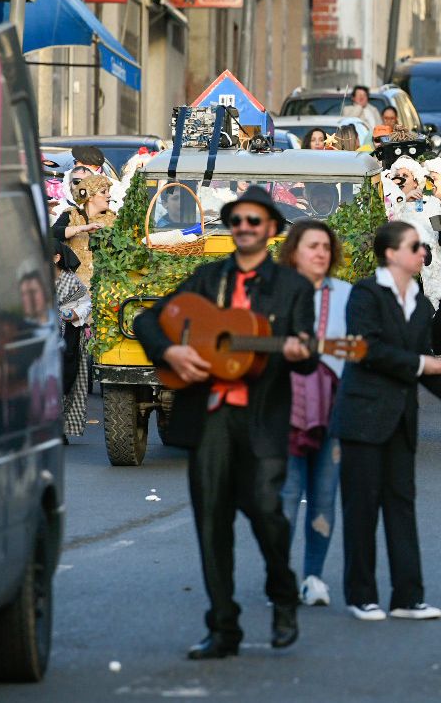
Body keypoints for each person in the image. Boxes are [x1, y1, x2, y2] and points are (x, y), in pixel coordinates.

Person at [134, 186, 315, 658]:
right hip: (208, 415)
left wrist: (298, 353)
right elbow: (149, 320)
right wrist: (170, 350)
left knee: (265, 512)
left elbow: (307, 356)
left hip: (262, 418)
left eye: (255, 221)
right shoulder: (207, 277)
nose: (245, 228)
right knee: (211, 522)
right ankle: (223, 627)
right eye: (237, 221)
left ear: (272, 229)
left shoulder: (292, 288)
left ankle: (282, 594)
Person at [332, 222, 441, 622]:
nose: (422, 254)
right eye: (415, 247)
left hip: (400, 419)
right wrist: (421, 363)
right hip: (362, 417)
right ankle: (361, 595)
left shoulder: (419, 299)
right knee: (361, 510)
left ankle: (407, 598)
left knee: (402, 506)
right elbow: (366, 349)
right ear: (392, 253)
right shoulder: (366, 294)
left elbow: (423, 365)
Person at [278, 220, 352, 609]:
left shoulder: (346, 294)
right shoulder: (272, 292)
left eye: (326, 246)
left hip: (332, 411)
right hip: (283, 411)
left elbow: (361, 349)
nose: (321, 253)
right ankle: (280, 579)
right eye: (312, 246)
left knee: (324, 499)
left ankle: (313, 578)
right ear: (293, 251)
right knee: (286, 498)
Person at [53, 241, 91, 442]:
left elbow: (86, 304)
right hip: (42, 338)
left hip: (68, 337)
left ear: (56, 258)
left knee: (66, 381)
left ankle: (60, 427)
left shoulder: (72, 281)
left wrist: (75, 313)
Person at [52, 172, 116, 287]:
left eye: (108, 192)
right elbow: (54, 233)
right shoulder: (71, 214)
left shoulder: (114, 219)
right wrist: (82, 228)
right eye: (103, 192)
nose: (109, 196)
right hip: (73, 287)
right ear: (90, 197)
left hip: (104, 288)